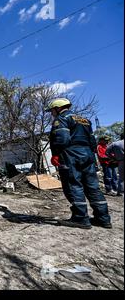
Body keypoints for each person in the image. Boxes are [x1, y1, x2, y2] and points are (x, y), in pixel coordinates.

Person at [47, 98, 111, 229]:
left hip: (70, 155)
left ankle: (80, 218)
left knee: (73, 185)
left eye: (52, 110)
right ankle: (103, 218)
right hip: (87, 155)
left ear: (58, 108)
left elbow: (62, 139)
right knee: (92, 186)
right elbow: (93, 141)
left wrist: (56, 154)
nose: (51, 113)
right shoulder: (85, 120)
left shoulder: (62, 119)